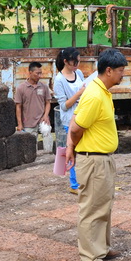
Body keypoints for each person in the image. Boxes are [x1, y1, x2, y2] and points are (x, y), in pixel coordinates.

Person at [65, 48, 127, 261]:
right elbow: (76, 127)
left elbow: (76, 118)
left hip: (102, 159)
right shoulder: (94, 94)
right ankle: (90, 258)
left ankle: (100, 248)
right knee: (91, 208)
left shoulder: (101, 91)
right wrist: (73, 146)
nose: (123, 75)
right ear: (108, 70)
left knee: (103, 205)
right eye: (120, 71)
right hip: (93, 160)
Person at [54, 48, 87, 193]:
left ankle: (83, 180)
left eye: (78, 61)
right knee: (71, 151)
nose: (77, 64)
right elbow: (64, 105)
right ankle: (74, 184)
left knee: (84, 149)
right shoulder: (59, 79)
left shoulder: (78, 73)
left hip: (83, 116)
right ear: (65, 61)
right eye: (74, 61)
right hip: (70, 120)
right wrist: (79, 94)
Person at [15, 61, 51, 135]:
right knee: (30, 144)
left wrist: (45, 116)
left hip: (42, 121)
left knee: (48, 139)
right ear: (30, 72)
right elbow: (18, 107)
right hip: (28, 123)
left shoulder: (44, 87)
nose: (39, 76)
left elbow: (47, 103)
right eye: (37, 73)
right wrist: (20, 124)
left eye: (40, 73)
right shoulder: (21, 88)